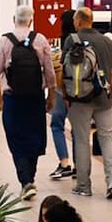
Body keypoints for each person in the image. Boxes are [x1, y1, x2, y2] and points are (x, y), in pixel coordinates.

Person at [0, 4, 56, 201]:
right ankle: (29, 177)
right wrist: (51, 96)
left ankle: (25, 181)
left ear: (14, 20)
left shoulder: (4, 41)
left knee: (16, 138)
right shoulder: (40, 40)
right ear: (30, 21)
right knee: (34, 137)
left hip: (13, 99)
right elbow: (49, 73)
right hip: (35, 97)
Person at [62, 7, 112, 200]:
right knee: (106, 138)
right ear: (91, 21)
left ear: (78, 22)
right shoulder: (105, 41)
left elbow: (64, 70)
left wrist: (66, 96)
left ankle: (83, 186)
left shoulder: (71, 40)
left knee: (81, 140)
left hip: (79, 99)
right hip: (103, 98)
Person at [47, 10, 76, 180]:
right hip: (79, 91)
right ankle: (79, 165)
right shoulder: (83, 41)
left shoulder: (65, 42)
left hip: (62, 90)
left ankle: (64, 162)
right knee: (77, 129)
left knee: (57, 125)